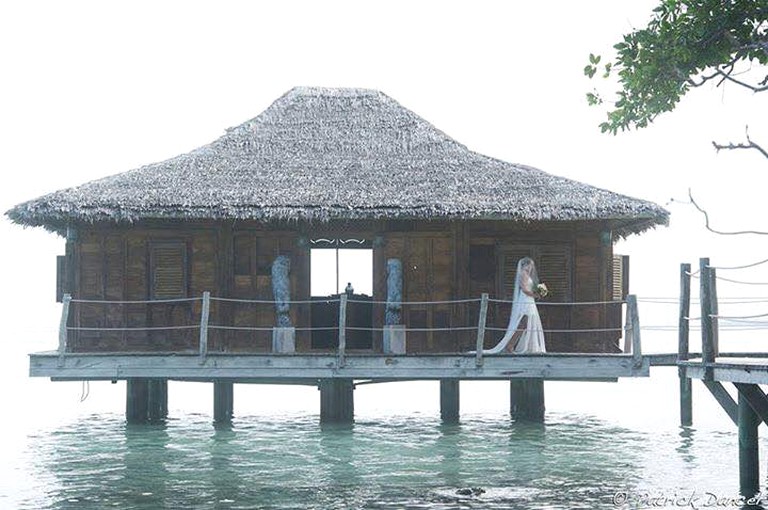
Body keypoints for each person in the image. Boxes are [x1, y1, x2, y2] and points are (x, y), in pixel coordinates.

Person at [482, 257, 546, 354]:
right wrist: (536, 295)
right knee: (523, 322)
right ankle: (510, 345)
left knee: (526, 323)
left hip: (529, 300)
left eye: (532, 266)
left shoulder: (526, 275)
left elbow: (529, 288)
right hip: (525, 300)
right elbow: (524, 289)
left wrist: (537, 291)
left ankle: (517, 345)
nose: (531, 268)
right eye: (530, 265)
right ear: (526, 265)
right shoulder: (523, 274)